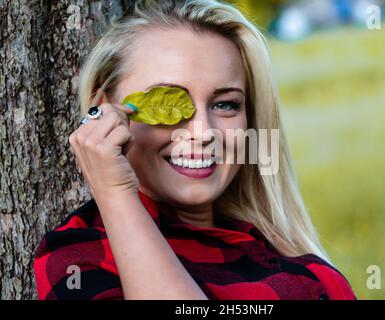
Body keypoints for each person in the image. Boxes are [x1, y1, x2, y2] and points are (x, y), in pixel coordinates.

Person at [34, 0, 356, 300]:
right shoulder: (81, 258)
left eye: (225, 104)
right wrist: (115, 191)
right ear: (104, 109)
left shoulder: (309, 272)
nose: (203, 133)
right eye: (169, 103)